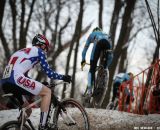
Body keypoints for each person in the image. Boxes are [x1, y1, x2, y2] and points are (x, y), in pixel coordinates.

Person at [1, 34, 72, 130]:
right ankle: (43, 126)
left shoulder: (20, 52)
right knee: (47, 92)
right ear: (42, 45)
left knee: (28, 111)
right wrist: (63, 77)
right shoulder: (39, 51)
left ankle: (18, 126)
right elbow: (49, 73)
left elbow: (24, 77)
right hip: (15, 79)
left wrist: (40, 84)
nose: (45, 51)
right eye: (46, 48)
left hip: (5, 83)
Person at [81, 27, 113, 97]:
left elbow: (84, 51)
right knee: (106, 63)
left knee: (92, 69)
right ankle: (104, 73)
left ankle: (89, 91)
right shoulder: (105, 34)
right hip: (108, 42)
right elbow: (111, 56)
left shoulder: (91, 35)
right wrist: (106, 65)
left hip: (98, 42)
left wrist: (83, 61)